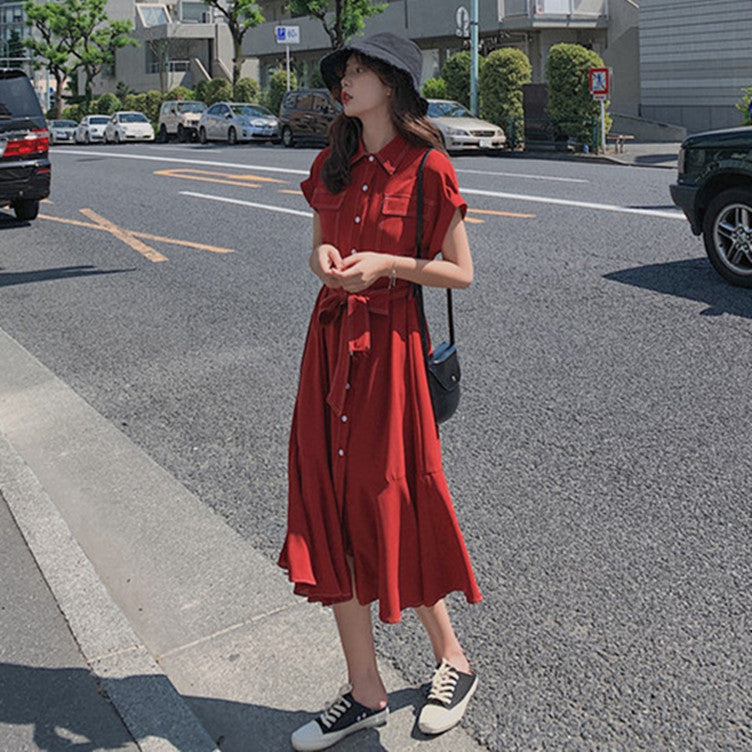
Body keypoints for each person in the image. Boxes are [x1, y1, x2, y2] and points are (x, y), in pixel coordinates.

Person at [277, 32, 482, 752]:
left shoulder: (427, 166)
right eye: (345, 70)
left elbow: (460, 273)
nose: (347, 80)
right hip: (330, 351)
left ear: (392, 84)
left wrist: (390, 263)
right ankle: (365, 691)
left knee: (392, 498)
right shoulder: (330, 164)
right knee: (332, 508)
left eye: (360, 70)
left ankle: (453, 659)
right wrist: (325, 259)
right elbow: (315, 250)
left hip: (392, 355)